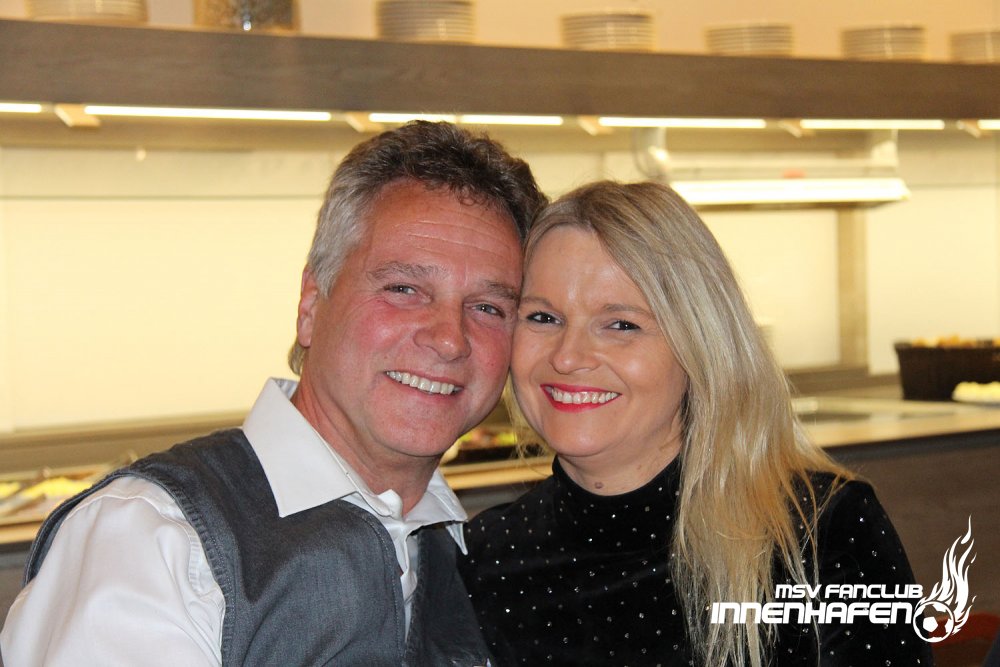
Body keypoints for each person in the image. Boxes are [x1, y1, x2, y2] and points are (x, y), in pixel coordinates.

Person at [1, 121, 547, 666]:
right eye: (403, 289)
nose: (450, 339)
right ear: (310, 305)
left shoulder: (475, 556)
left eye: (488, 308)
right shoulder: (151, 540)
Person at [459, 180, 934, 667]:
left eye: (621, 325)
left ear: (699, 346)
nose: (568, 357)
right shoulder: (485, 555)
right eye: (543, 318)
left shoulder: (817, 533)